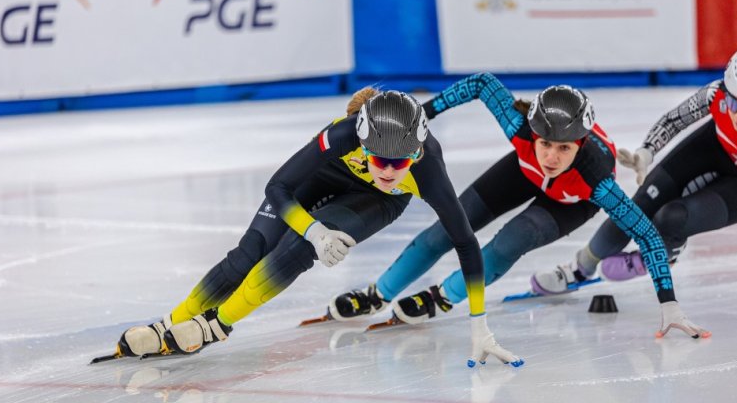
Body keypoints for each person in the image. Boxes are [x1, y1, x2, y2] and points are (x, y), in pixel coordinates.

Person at [109, 89, 522, 366]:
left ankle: (216, 326)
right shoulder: (340, 136)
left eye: (403, 161)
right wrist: (312, 229)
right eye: (381, 159)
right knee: (248, 253)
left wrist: (479, 323)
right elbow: (279, 186)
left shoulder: (428, 166)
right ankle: (171, 322)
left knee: (296, 253)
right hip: (323, 178)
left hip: (374, 204)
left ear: (417, 152)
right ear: (362, 141)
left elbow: (466, 243)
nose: (391, 170)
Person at [326, 73, 708, 339]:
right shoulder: (520, 127)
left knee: (511, 240)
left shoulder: (598, 181)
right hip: (521, 173)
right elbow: (481, 83)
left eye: (564, 148)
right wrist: (421, 115)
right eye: (545, 143)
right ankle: (379, 292)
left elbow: (647, 235)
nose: (552, 156)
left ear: (581, 143)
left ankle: (443, 297)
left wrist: (669, 303)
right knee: (446, 228)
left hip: (569, 200)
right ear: (533, 132)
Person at [532, 44, 737, 317]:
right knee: (636, 206)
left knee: (672, 218)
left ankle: (659, 254)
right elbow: (675, 120)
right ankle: (579, 268)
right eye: (733, 104)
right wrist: (647, 151)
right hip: (714, 148)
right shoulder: (716, 94)